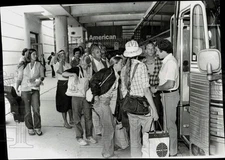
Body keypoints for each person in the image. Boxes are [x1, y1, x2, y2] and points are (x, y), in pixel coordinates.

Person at [120, 40, 159, 158]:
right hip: (143, 108)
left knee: (134, 138)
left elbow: (123, 92)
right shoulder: (141, 66)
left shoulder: (123, 68)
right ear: (138, 53)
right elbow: (146, 90)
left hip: (131, 108)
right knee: (148, 137)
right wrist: (154, 110)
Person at [89, 55, 123, 158]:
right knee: (108, 128)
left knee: (109, 126)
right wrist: (96, 95)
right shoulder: (108, 72)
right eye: (121, 63)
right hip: (102, 101)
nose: (123, 65)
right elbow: (93, 80)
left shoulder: (116, 74)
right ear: (115, 64)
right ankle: (107, 153)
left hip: (107, 102)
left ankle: (109, 150)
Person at [151, 38, 180, 157]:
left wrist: (157, 88)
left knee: (170, 125)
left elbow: (170, 84)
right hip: (166, 96)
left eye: (157, 50)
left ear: (164, 51)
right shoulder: (167, 61)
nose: (156, 53)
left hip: (170, 96)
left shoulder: (171, 63)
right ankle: (168, 149)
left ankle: (173, 152)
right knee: (167, 124)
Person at [62, 55, 96, 146]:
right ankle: (79, 137)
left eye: (86, 65)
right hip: (76, 96)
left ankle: (89, 135)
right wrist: (73, 74)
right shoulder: (76, 69)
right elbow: (63, 73)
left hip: (86, 96)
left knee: (88, 116)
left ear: (89, 64)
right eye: (82, 64)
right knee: (76, 117)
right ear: (80, 62)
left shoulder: (90, 70)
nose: (84, 66)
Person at [15, 48, 45, 136]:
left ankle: (37, 126)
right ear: (29, 55)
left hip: (35, 89)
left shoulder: (39, 64)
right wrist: (16, 87)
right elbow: (19, 78)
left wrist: (39, 80)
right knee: (27, 110)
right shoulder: (23, 65)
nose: (36, 56)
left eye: (36, 54)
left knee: (36, 108)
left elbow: (42, 76)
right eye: (34, 54)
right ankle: (30, 127)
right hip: (25, 89)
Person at [144, 41, 163, 130]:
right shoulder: (142, 64)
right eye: (148, 49)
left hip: (157, 92)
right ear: (145, 50)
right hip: (145, 93)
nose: (151, 51)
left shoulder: (160, 63)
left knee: (157, 114)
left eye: (152, 49)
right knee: (146, 115)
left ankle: (156, 135)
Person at [89, 44, 108, 136]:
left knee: (103, 109)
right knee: (95, 110)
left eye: (100, 52)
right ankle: (98, 130)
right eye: (97, 52)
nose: (100, 53)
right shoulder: (91, 65)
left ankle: (103, 127)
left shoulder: (104, 62)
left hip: (104, 90)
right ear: (92, 54)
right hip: (95, 89)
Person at [54, 50, 74, 129]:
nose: (63, 57)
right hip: (61, 84)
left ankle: (71, 119)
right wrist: (61, 64)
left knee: (70, 102)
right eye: (61, 55)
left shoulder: (68, 65)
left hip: (69, 84)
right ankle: (65, 121)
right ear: (58, 57)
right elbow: (61, 72)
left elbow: (71, 74)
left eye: (64, 55)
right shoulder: (57, 64)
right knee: (63, 103)